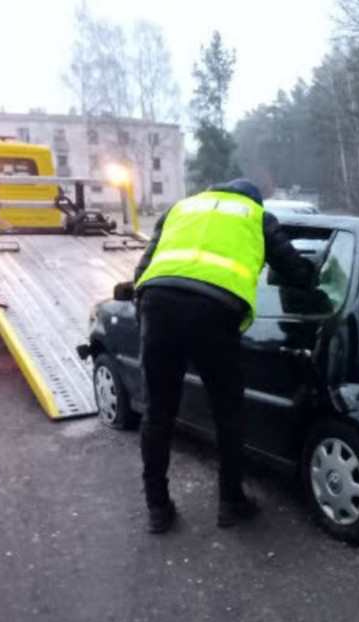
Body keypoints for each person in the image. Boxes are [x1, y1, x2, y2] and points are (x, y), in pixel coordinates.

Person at [131, 179, 317, 534]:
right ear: (253, 200)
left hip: (158, 305)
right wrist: (314, 275)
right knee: (228, 414)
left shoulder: (180, 208)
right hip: (213, 312)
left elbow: (143, 270)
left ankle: (158, 508)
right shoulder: (256, 216)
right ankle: (231, 502)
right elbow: (296, 272)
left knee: (157, 413)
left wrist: (146, 319)